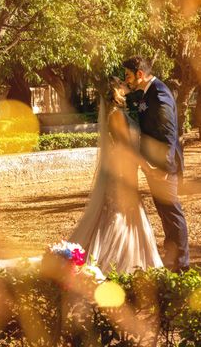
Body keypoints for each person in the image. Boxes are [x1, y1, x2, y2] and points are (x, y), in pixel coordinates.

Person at [69, 76, 163, 274]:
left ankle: (132, 261)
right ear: (115, 90)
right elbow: (126, 148)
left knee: (126, 211)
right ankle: (115, 263)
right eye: (121, 83)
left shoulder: (120, 112)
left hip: (126, 169)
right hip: (121, 172)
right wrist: (148, 168)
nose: (125, 84)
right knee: (120, 213)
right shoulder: (116, 115)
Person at [122, 56, 189, 272]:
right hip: (154, 166)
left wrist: (165, 169)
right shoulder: (148, 92)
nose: (127, 81)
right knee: (165, 213)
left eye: (128, 76)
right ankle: (172, 260)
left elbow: (169, 134)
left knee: (171, 212)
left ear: (140, 74)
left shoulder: (159, 94)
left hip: (163, 167)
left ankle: (181, 265)